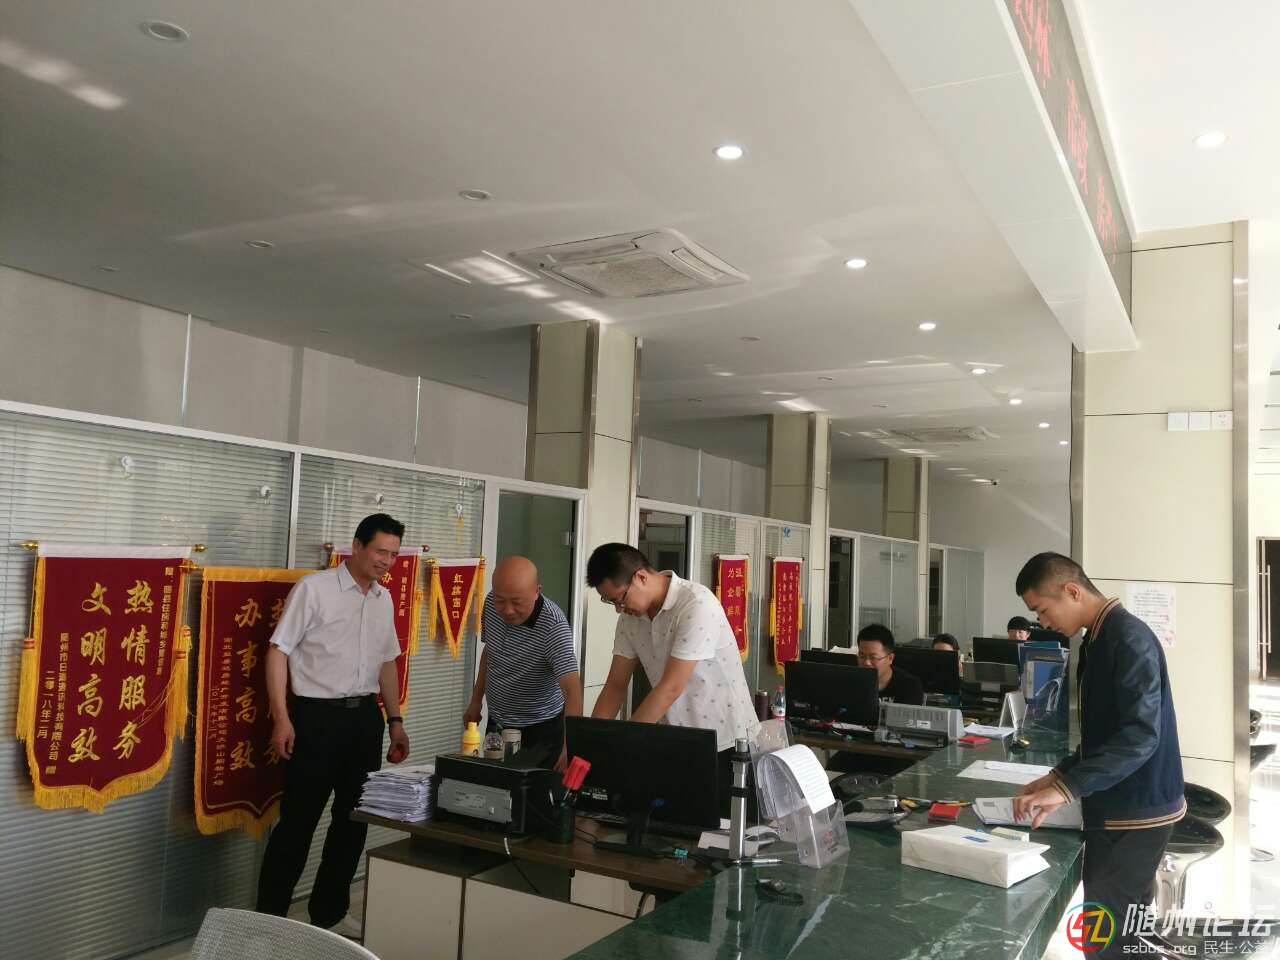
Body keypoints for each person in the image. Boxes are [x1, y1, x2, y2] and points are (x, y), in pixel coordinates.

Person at [1012, 553, 1184, 948]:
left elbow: (1139, 736)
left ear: (1072, 591)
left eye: (1043, 610)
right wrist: (1059, 775)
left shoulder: (1127, 638)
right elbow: (1105, 734)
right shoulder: (1100, 637)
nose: (1043, 623)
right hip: (1123, 803)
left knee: (1106, 939)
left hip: (1136, 810)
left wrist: (1067, 789)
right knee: (1125, 935)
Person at [256, 513, 411, 934]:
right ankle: (267, 923)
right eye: (380, 551)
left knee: (353, 821)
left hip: (364, 720)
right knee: (298, 823)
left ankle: (329, 915)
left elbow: (387, 662)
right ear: (356, 546)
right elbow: (278, 651)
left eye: (394, 555)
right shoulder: (315, 589)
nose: (387, 561)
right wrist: (282, 717)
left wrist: (395, 720)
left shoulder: (383, 599)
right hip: (316, 718)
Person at [586, 543, 759, 773]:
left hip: (726, 741)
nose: (619, 609)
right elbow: (615, 686)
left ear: (641, 577)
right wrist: (591, 743)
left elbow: (671, 687)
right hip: (675, 739)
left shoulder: (696, 604)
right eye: (611, 602)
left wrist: (624, 744)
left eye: (620, 599)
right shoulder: (629, 620)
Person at [463, 556, 582, 770]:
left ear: (537, 591)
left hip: (540, 730)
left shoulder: (553, 627)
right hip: (497, 722)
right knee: (495, 783)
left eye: (517, 602)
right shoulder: (490, 604)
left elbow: (572, 691)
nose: (507, 610)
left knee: (532, 788)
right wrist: (476, 700)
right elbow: (489, 653)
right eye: (501, 600)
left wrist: (570, 746)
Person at [856, 623, 924, 706]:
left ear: (890, 658)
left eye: (873, 657)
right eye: (862, 656)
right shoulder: (850, 680)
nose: (866, 662)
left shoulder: (910, 686)